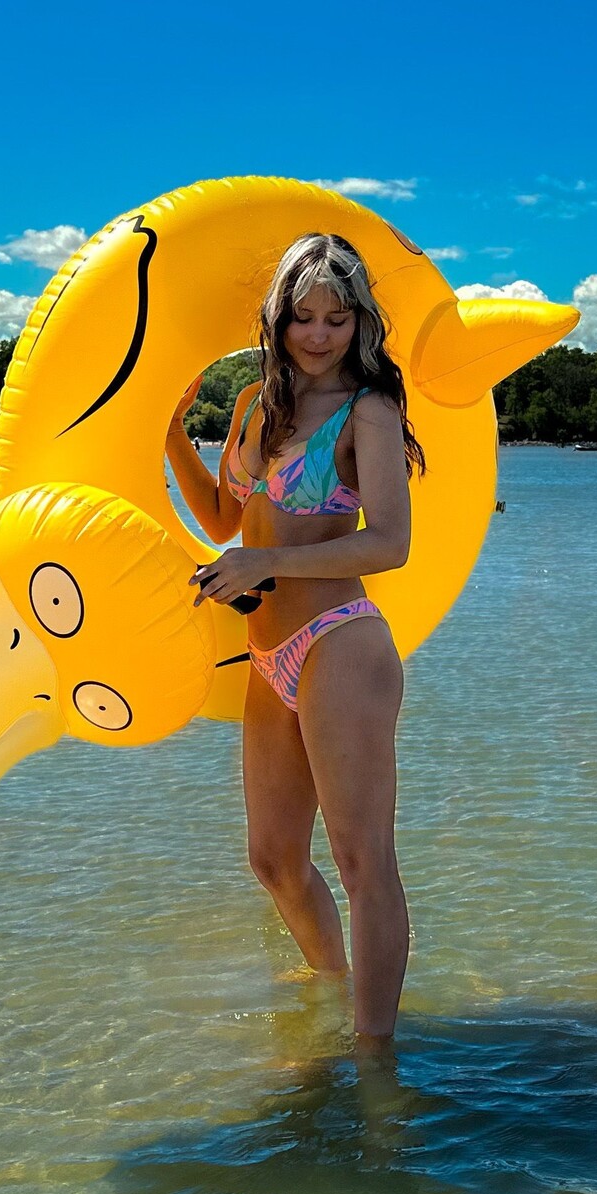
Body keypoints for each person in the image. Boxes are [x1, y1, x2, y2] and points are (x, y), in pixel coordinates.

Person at [164, 233, 422, 1042]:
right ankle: (329, 997)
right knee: (272, 858)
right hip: (265, 655)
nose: (318, 335)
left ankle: (375, 1061)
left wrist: (267, 562)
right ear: (275, 321)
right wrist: (172, 434)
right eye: (302, 317)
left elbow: (389, 543)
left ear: (360, 322)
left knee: (360, 862)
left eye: (336, 319)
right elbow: (221, 516)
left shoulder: (367, 410)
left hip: (338, 641)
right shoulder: (253, 405)